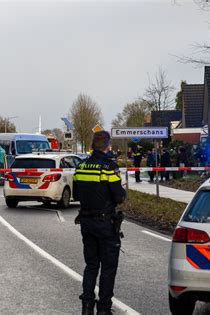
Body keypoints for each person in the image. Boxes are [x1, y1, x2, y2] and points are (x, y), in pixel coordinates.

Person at [73, 131, 127, 315]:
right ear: (108, 146)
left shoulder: (80, 167)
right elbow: (119, 197)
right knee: (108, 268)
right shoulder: (108, 167)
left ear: (92, 145)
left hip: (86, 223)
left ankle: (87, 307)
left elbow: (76, 195)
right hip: (105, 224)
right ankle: (104, 309)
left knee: (91, 266)